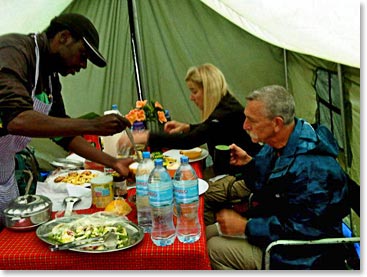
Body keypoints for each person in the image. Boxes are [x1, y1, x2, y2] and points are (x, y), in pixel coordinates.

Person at [0, 13, 133, 229]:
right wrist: (93, 125)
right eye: (82, 55)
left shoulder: (50, 78)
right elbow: (17, 119)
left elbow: (62, 133)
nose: (82, 65)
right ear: (63, 37)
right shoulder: (14, 51)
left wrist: (113, 162)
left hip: (4, 172)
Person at [206, 85, 349, 269]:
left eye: (251, 120)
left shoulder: (312, 170)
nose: (244, 126)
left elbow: (305, 230)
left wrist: (245, 227)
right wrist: (249, 164)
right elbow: (267, 185)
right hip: (271, 227)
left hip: (303, 256)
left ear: (277, 123)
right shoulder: (278, 143)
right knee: (207, 232)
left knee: (212, 248)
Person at [118, 63, 261, 175]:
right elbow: (213, 129)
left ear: (209, 90)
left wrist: (145, 136)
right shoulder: (226, 105)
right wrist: (187, 127)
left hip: (240, 174)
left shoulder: (225, 112)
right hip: (227, 169)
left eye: (194, 91)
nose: (191, 98)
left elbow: (189, 141)